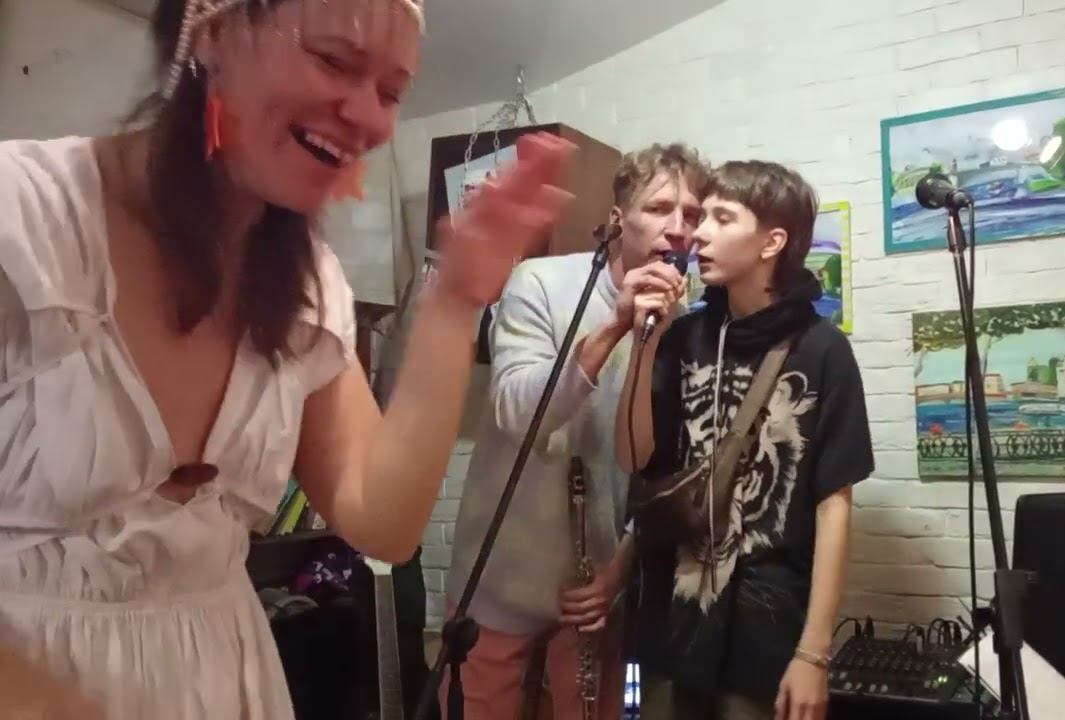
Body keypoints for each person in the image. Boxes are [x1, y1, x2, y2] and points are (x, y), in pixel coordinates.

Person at [0, 1, 575, 718]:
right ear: (211, 32)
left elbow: (382, 520)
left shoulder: (309, 285)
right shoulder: (22, 220)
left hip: (227, 680)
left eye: (392, 92)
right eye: (334, 60)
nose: (368, 118)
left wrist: (456, 301)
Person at [441, 143, 708, 719]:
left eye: (691, 214)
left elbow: (661, 471)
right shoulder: (538, 282)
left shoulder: (684, 321)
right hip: (499, 585)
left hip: (592, 594)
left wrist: (619, 570)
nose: (678, 227)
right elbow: (515, 411)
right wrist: (614, 327)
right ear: (617, 219)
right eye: (659, 208)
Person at [617, 160, 875, 719]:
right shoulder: (683, 336)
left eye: (722, 218)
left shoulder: (822, 349)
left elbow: (834, 504)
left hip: (766, 626)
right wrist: (644, 343)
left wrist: (814, 651)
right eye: (701, 217)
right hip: (670, 617)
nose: (697, 234)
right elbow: (637, 459)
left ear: (772, 243)